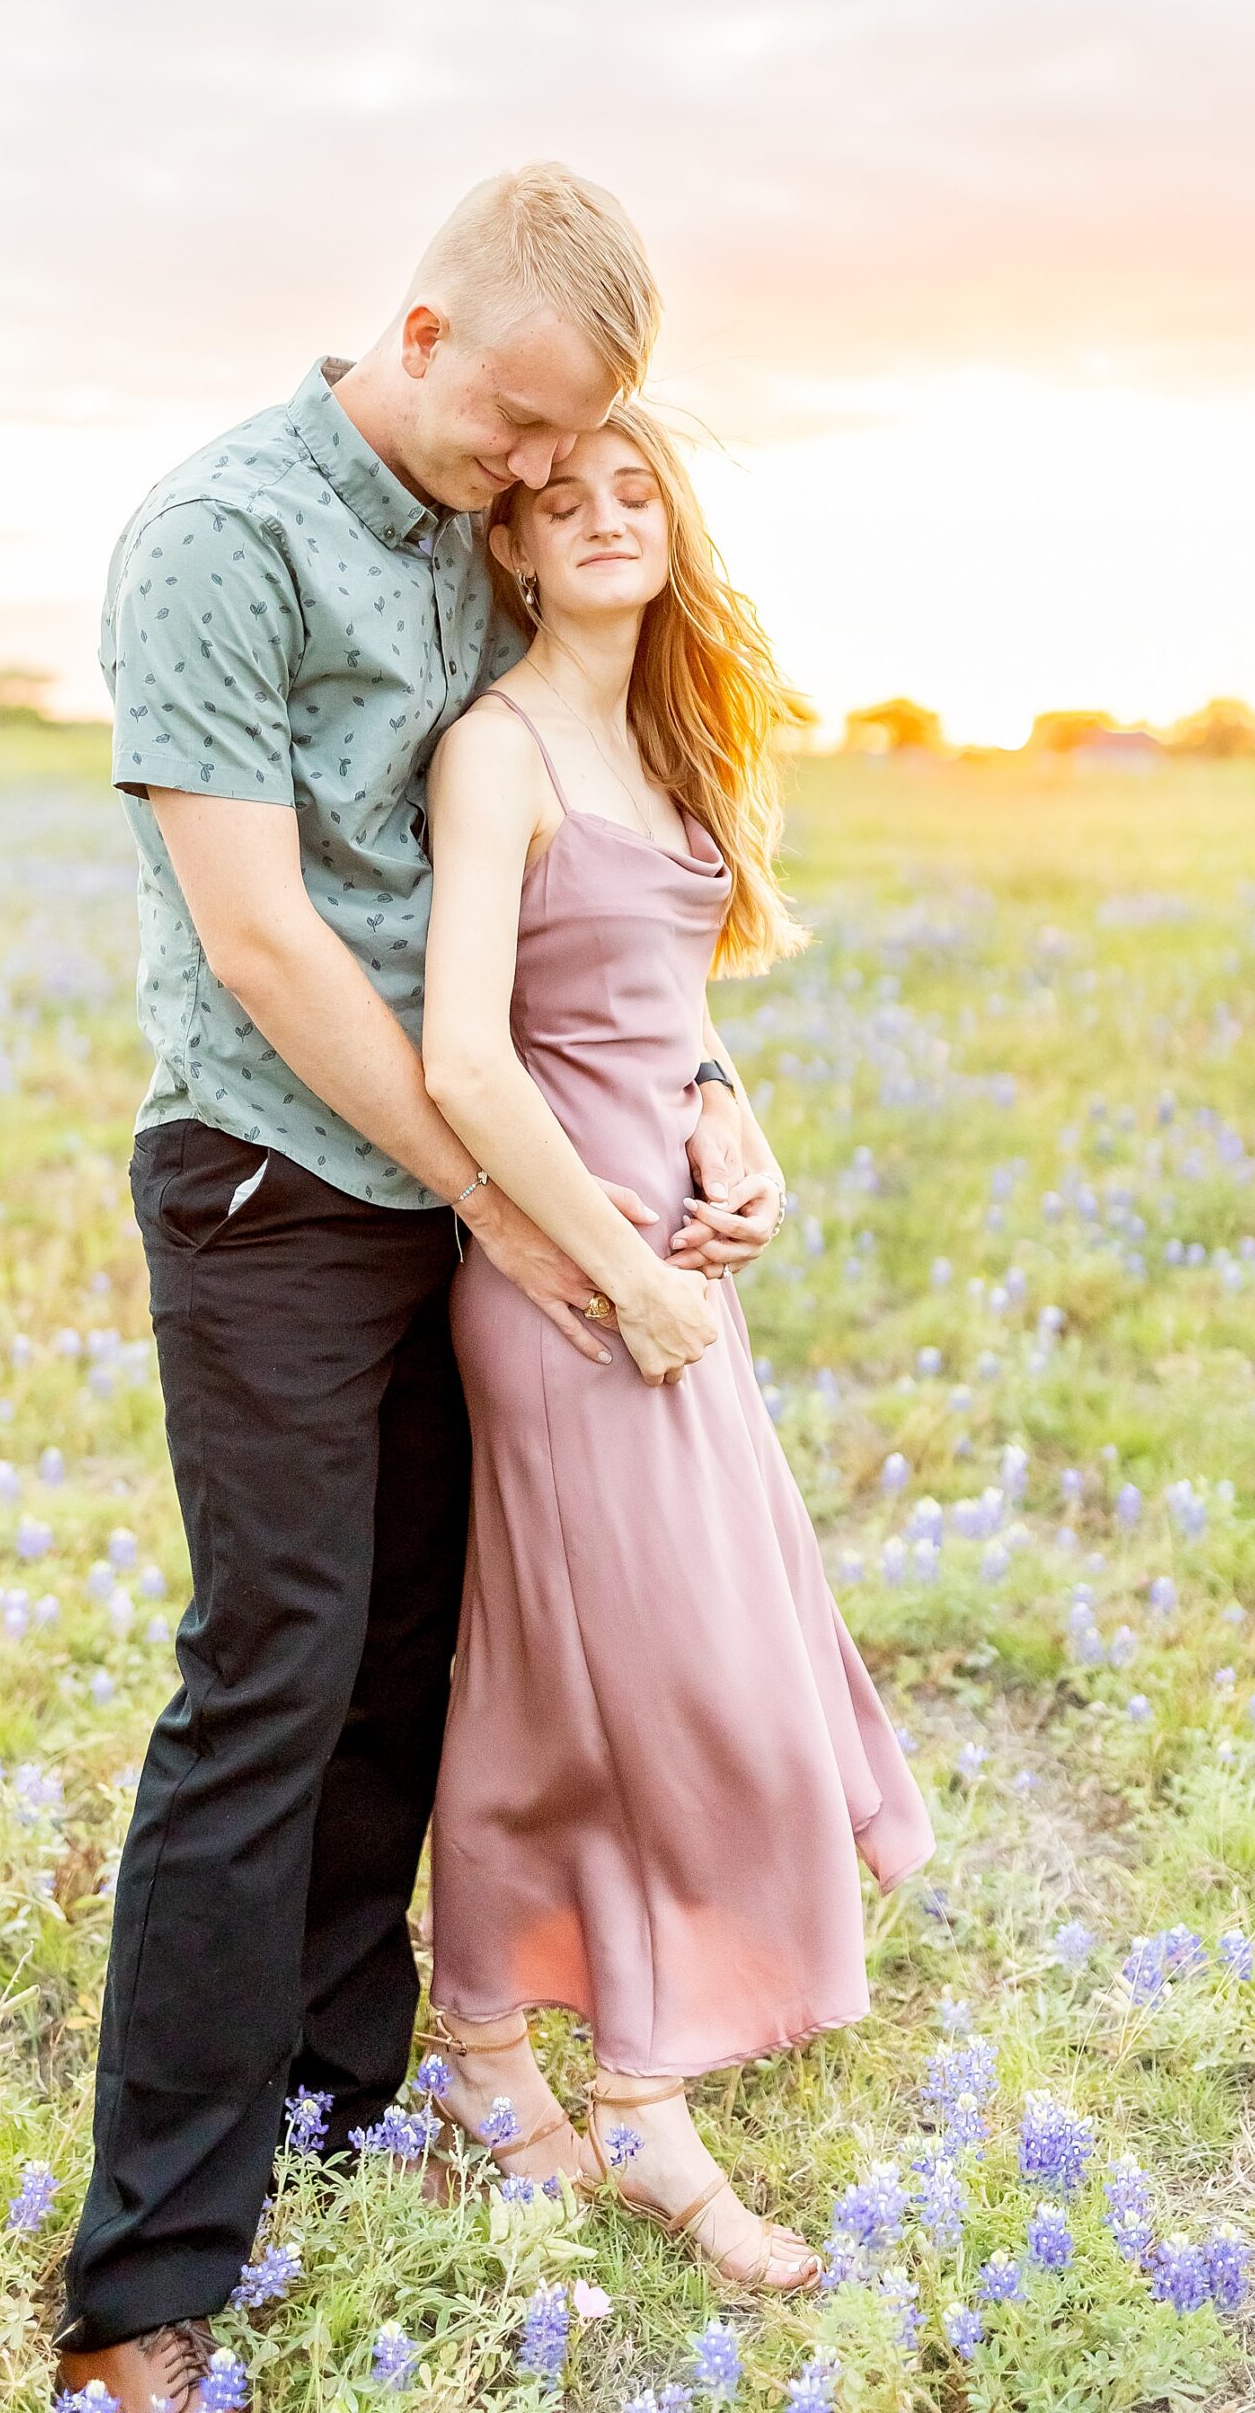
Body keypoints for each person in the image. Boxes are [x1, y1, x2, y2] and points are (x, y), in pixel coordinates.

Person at [53, 164, 753, 2413]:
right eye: (516, 427)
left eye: (574, 447)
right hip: (271, 1182)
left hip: (468, 1197)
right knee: (264, 1677)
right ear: (425, 329)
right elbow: (260, 934)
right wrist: (513, 1192)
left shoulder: (481, 523)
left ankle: (351, 2105)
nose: (535, 476)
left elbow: (579, 876)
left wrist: (695, 1088)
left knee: (404, 1675)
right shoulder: (215, 537)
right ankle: (144, 2280)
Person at [416, 403, 938, 2290]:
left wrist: (733, 1116)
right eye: (567, 501)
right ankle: (642, 2103)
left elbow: (654, 1008)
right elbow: (472, 1052)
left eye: (641, 490)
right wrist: (623, 1275)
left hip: (671, 1275)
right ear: (517, 552)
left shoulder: (665, 738)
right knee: (680, 1687)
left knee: (584, 1688)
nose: (610, 518)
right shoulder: (498, 749)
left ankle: (487, 2047)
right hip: (571, 1292)